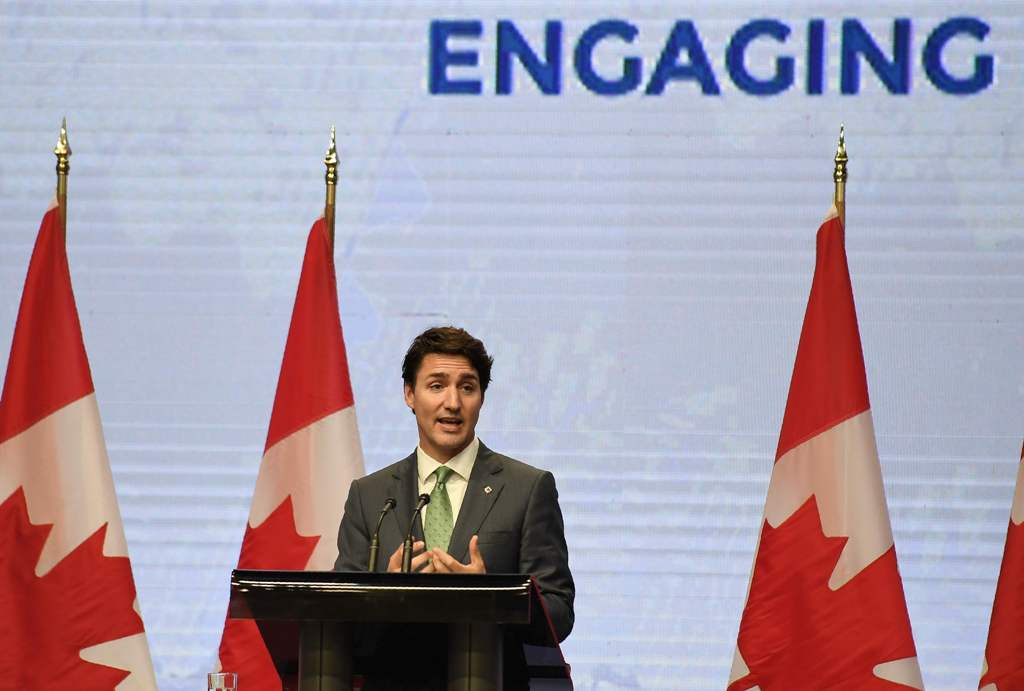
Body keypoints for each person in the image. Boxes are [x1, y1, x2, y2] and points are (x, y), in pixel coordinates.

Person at [335, 326, 574, 689]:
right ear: (409, 395)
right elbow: (339, 624)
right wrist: (381, 596)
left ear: (481, 397)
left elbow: (558, 612)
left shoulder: (528, 488)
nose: (453, 402)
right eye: (436, 385)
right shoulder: (370, 497)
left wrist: (490, 599)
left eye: (467, 387)